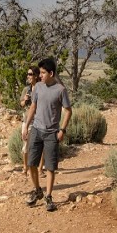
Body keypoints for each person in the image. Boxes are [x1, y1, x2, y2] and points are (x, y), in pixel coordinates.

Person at [22, 58, 72, 212]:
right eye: (40, 72)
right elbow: (33, 107)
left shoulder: (60, 90)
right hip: (36, 130)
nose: (40, 75)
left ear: (51, 73)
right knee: (31, 163)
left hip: (51, 132)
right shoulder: (37, 87)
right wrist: (26, 126)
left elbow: (68, 110)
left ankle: (48, 196)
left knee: (50, 167)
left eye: (43, 73)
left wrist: (62, 130)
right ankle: (37, 190)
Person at [20, 66, 44, 177]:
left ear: (35, 75)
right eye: (28, 74)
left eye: (30, 74)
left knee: (41, 145)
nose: (28, 76)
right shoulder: (26, 89)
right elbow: (21, 104)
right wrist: (25, 100)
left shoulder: (42, 88)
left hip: (40, 120)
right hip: (27, 120)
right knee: (26, 145)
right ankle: (25, 168)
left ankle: (40, 169)